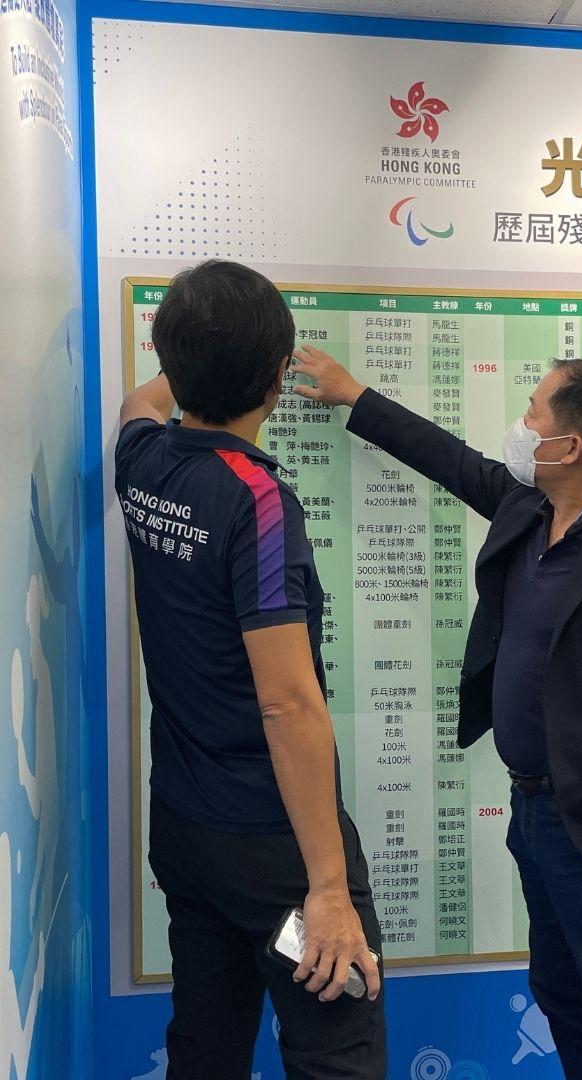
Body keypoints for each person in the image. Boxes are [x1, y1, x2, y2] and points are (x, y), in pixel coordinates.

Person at [291, 345, 582, 1080]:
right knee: (567, 1000)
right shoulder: (531, 507)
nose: (519, 426)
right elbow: (453, 462)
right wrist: (356, 397)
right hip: (538, 817)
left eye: (532, 411)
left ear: (570, 444)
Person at [115, 262, 384, 1080]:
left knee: (206, 1044)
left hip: (187, 830)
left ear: (173, 357)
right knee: (337, 1057)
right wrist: (328, 888)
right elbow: (288, 703)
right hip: (274, 847)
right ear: (277, 374)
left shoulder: (143, 460)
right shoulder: (256, 500)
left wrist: (192, 357)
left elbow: (141, 402)